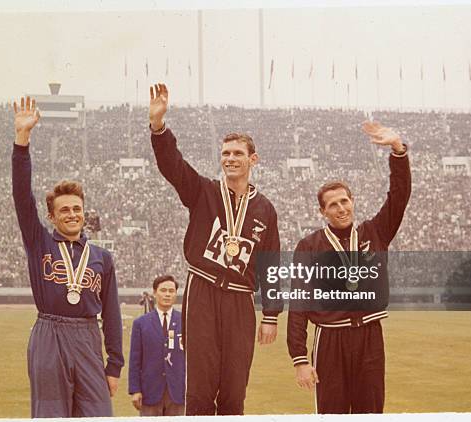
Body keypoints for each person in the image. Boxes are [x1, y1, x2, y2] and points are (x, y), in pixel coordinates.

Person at [148, 83, 283, 415]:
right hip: (203, 291)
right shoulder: (203, 192)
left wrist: (270, 315)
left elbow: (271, 264)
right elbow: (173, 167)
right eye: (225, 154)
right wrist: (158, 126)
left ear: (253, 159)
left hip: (240, 297)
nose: (231, 159)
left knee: (235, 389)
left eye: (238, 153)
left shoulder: (265, 208)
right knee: (200, 389)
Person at [287, 121, 411, 414]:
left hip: (370, 336)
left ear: (353, 202)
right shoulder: (310, 246)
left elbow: (399, 197)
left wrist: (397, 151)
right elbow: (299, 303)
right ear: (323, 211)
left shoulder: (374, 232)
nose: (341, 208)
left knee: (371, 412)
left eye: (345, 201)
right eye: (333, 205)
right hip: (330, 338)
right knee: (332, 413)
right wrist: (300, 359)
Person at [11, 96, 124, 417]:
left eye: (77, 208)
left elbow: (113, 315)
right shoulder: (40, 244)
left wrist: (114, 364)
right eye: (64, 210)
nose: (72, 214)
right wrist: (22, 140)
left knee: (98, 414)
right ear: (51, 216)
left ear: (84, 212)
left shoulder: (102, 257)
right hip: (49, 336)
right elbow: (22, 197)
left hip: (88, 337)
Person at [128, 275, 185, 416]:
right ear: (155, 292)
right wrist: (135, 390)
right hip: (150, 392)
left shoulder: (185, 321)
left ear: (176, 294)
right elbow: (135, 359)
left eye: (171, 291)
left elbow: (193, 359)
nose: (167, 294)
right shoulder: (141, 323)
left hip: (178, 392)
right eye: (163, 290)